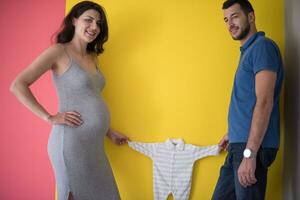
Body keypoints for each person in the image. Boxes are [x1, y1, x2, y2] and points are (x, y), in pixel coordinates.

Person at [10, 1, 129, 200]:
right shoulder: (58, 52)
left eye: (98, 23)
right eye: (88, 20)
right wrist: (49, 117)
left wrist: (108, 131)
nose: (94, 27)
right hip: (71, 143)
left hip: (95, 146)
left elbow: (90, 97)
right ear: (74, 20)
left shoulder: (93, 57)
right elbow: (17, 85)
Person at [211, 0, 284, 199]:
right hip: (239, 143)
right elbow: (248, 101)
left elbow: (264, 102)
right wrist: (233, 132)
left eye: (235, 16)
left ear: (251, 17)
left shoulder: (262, 48)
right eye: (226, 20)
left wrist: (249, 154)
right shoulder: (248, 52)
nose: (230, 24)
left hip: (252, 148)